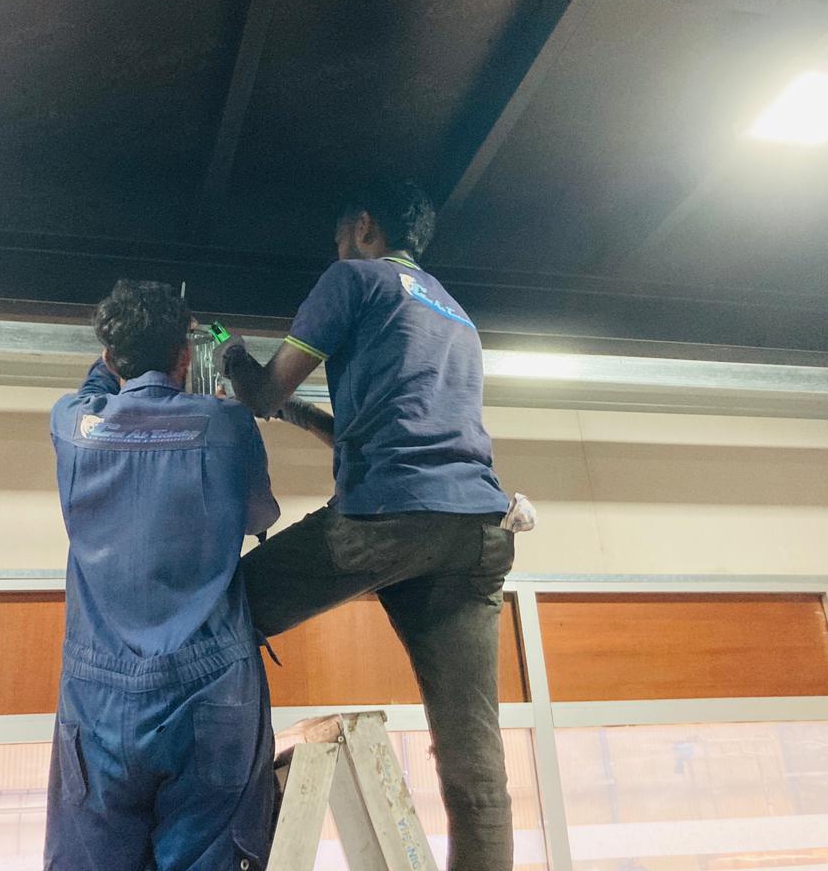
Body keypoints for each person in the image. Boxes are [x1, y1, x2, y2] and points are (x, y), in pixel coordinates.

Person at [216, 178, 517, 871]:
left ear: (362, 225)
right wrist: (298, 414)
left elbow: (261, 391)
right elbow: (387, 430)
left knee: (219, 610)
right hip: (476, 530)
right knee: (474, 759)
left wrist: (230, 355)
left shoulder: (354, 279)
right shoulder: (456, 314)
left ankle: (218, 807)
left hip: (388, 519)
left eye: (338, 238)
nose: (337, 250)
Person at [45, 280, 280, 871]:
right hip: (211, 690)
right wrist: (212, 384)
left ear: (109, 355)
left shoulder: (72, 424)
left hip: (97, 699)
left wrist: (116, 368)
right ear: (183, 356)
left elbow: (96, 389)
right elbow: (260, 517)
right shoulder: (227, 424)